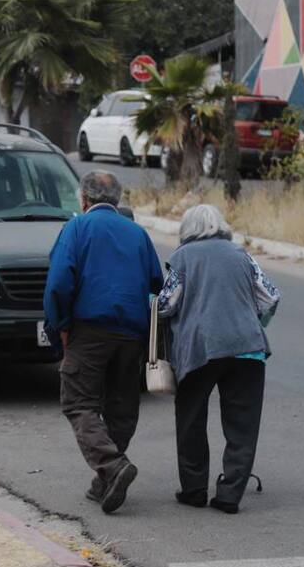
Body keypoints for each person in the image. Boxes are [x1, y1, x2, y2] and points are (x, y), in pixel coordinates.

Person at [44, 170, 163, 514]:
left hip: (89, 330)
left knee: (78, 403)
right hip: (131, 334)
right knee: (121, 407)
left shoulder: (77, 228)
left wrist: (61, 325)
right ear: (118, 200)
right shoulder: (138, 234)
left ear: (83, 200)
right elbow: (157, 285)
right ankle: (105, 480)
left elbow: (58, 284)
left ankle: (112, 466)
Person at [158, 204, 280, 515]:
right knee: (242, 424)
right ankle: (230, 494)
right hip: (247, 348)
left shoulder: (183, 257)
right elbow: (270, 296)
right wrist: (251, 321)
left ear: (187, 229)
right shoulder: (240, 254)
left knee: (191, 419)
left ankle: (194, 489)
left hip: (201, 349)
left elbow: (165, 305)